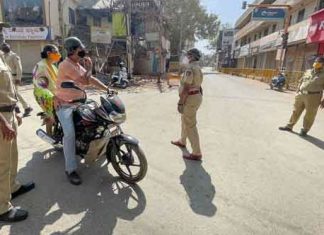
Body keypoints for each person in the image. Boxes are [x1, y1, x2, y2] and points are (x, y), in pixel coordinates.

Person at [55, 37, 108, 185]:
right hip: (65, 105)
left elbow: (91, 80)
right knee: (70, 134)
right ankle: (70, 169)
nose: (83, 51)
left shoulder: (77, 65)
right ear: (72, 50)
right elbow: (85, 81)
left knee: (98, 118)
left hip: (79, 102)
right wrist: (90, 67)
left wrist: (107, 89)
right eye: (80, 49)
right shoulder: (66, 65)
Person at [0, 22, 35, 222]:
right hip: (0, 119)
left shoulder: (2, 57)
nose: (1, 35)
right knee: (2, 162)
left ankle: (11, 188)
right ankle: (2, 207)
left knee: (12, 156)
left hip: (8, 114)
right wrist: (3, 122)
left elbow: (7, 89)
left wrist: (16, 111)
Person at [171, 48, 203, 161]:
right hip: (196, 96)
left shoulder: (190, 68)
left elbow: (187, 87)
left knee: (190, 124)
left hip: (190, 98)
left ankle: (196, 153)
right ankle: (182, 141)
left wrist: (181, 102)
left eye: (187, 55)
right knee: (185, 120)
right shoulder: (197, 67)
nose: (185, 57)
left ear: (191, 57)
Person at [279, 56, 324, 137]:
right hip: (301, 94)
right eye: (316, 61)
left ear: (322, 64)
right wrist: (297, 91)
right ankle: (289, 126)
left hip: (313, 97)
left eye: (319, 62)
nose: (316, 63)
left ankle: (304, 130)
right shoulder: (308, 71)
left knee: (309, 115)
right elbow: (301, 81)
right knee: (295, 111)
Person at [33, 44, 61, 136]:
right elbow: (39, 85)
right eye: (56, 52)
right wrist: (51, 97)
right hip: (46, 96)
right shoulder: (40, 66)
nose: (59, 54)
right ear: (49, 53)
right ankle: (50, 135)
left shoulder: (53, 66)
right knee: (51, 116)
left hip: (56, 95)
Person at [1, 43, 33, 117]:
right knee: (12, 93)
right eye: (3, 47)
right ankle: (18, 107)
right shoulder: (3, 56)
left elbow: (19, 68)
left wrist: (18, 78)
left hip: (14, 77)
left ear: (9, 47)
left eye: (5, 47)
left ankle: (27, 107)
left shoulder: (14, 56)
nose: (4, 48)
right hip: (7, 78)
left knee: (15, 93)